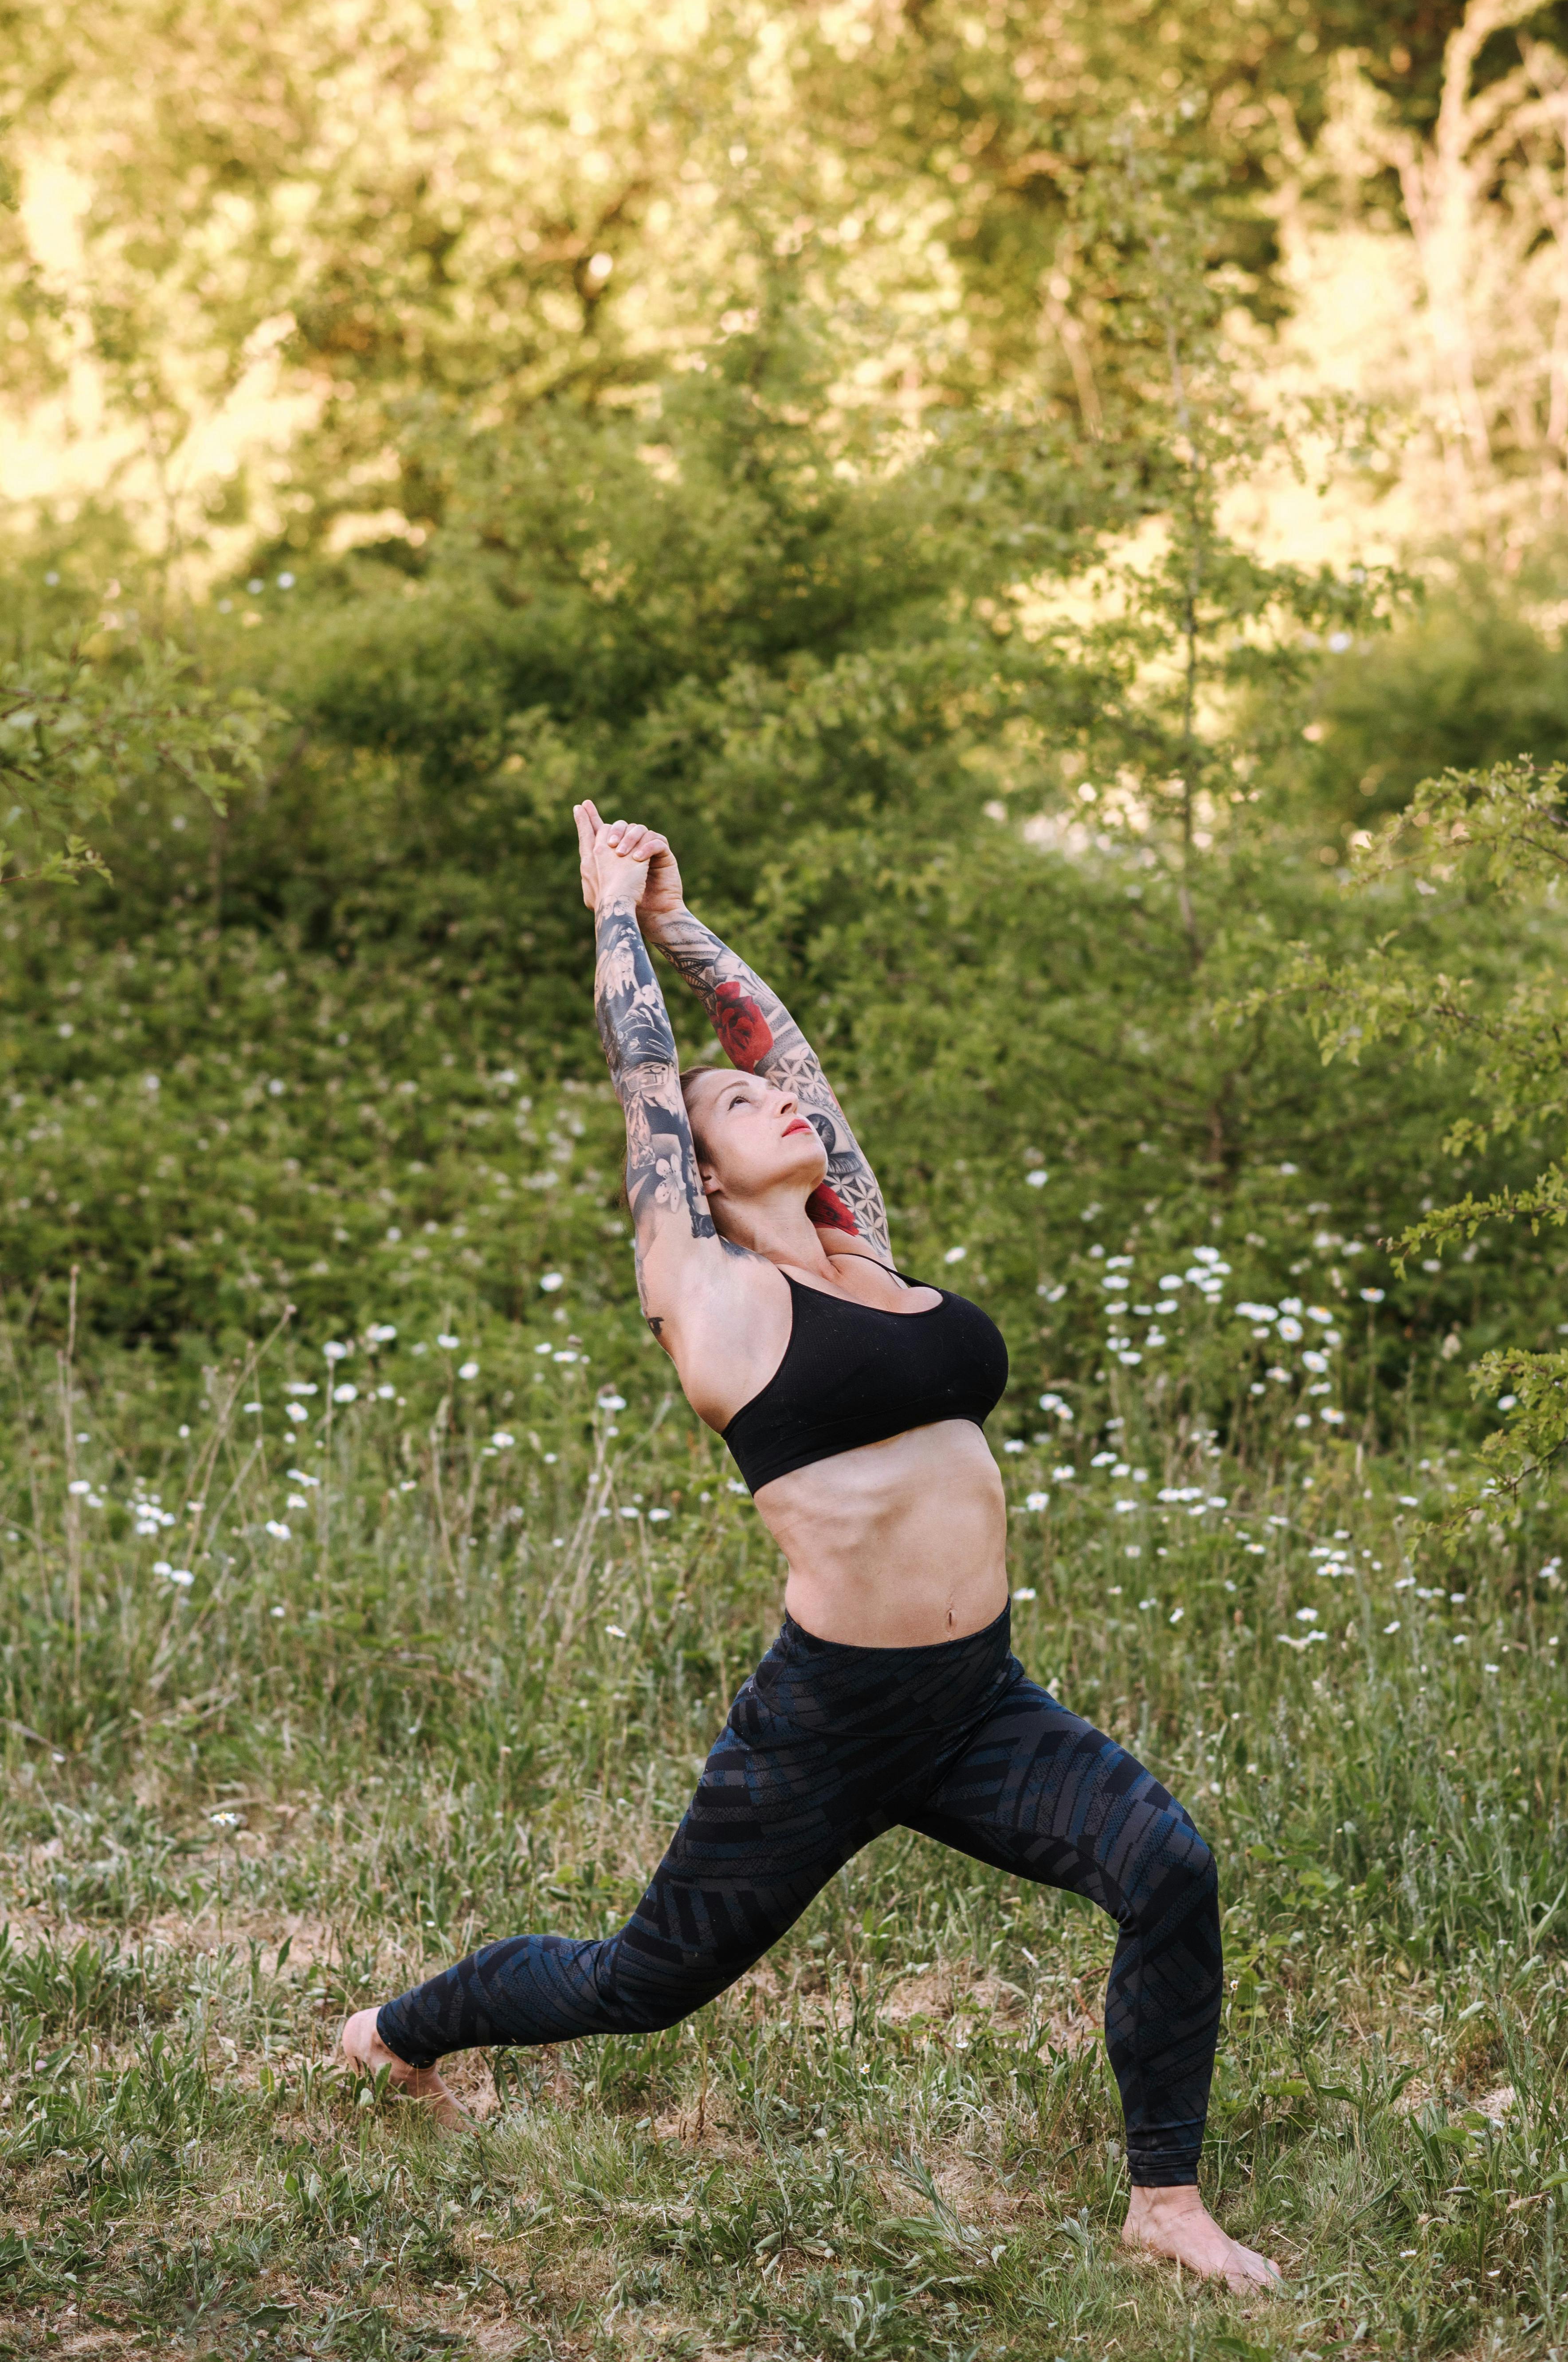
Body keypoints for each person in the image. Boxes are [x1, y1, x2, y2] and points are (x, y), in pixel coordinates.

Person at [341, 801, 1278, 2289]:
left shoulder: (865, 1249)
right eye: (731, 1108)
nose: (768, 1101)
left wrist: (679, 921)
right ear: (699, 1175)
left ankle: (1164, 2201)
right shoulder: (706, 1293)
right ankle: (395, 2031)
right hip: (829, 1720)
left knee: (1168, 1868)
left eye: (762, 1096)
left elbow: (783, 1050)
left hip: (977, 1697)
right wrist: (608, 917)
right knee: (644, 1980)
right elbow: (645, 1078)